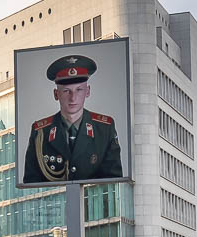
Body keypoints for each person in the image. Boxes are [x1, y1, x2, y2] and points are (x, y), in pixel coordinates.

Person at [23, 54, 123, 184]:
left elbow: (113, 183)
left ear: (87, 91)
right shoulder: (40, 132)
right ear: (56, 94)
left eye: (79, 90)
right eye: (66, 91)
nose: (73, 98)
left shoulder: (104, 128)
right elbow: (31, 183)